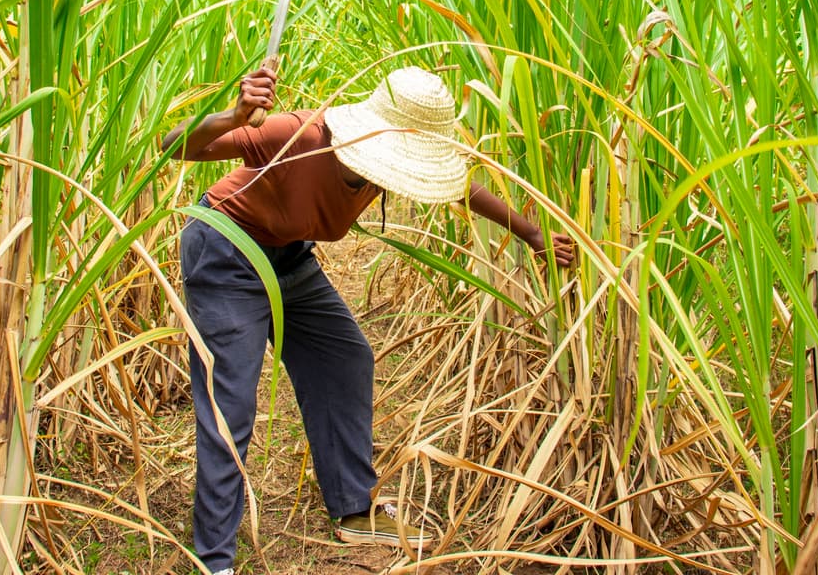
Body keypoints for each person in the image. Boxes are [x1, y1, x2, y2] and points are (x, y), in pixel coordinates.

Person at [161, 65, 574, 575]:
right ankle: (215, 558)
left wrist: (532, 235)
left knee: (345, 357)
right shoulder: (296, 135)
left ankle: (355, 508)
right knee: (231, 401)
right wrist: (233, 115)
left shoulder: (389, 169)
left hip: (290, 259)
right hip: (227, 252)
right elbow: (174, 145)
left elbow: (462, 189)